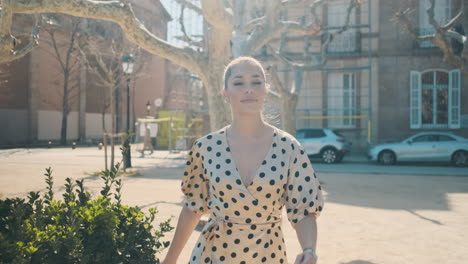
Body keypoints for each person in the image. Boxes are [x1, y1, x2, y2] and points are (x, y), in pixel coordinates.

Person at [162, 57, 324, 264]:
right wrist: (170, 259)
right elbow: (193, 208)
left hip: (268, 256)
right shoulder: (205, 148)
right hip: (213, 255)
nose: (249, 89)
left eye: (256, 82)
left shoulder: (289, 148)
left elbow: (304, 210)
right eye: (239, 83)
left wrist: (309, 250)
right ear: (225, 93)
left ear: (266, 90)